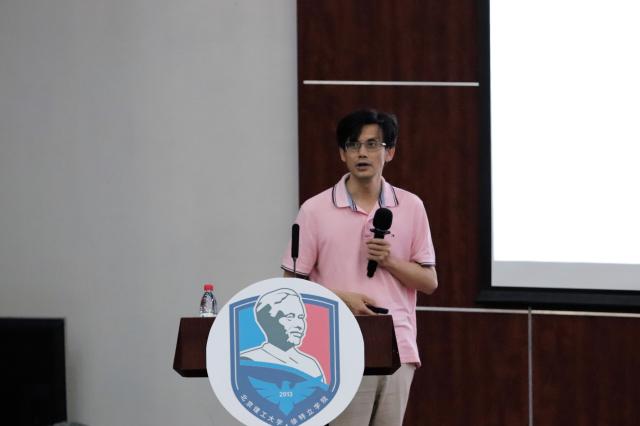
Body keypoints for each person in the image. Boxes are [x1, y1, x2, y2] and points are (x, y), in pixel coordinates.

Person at [281, 108, 438, 426]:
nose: (362, 153)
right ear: (343, 153)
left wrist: (390, 261)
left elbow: (429, 281)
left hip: (397, 345)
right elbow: (290, 285)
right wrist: (341, 298)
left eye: (372, 144)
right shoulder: (315, 210)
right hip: (336, 345)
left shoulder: (411, 206)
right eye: (353, 145)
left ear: (390, 152)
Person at [240, 288, 325, 382]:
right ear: (267, 321)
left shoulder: (310, 365)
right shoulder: (249, 361)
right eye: (290, 317)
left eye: (301, 317)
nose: (299, 325)